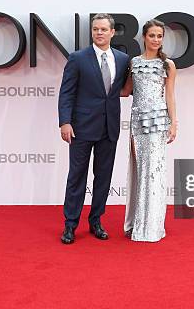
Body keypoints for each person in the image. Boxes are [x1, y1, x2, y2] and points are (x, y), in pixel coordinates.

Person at [58, 13, 130, 244]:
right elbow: (66, 92)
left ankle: (96, 220)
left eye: (103, 29)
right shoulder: (78, 58)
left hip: (109, 128)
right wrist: (65, 122)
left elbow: (126, 89)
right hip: (80, 128)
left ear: (112, 32)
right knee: (76, 177)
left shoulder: (122, 59)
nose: (98, 33)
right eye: (95, 29)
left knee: (103, 177)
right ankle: (70, 225)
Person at [122, 19, 178, 242]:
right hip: (137, 123)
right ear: (144, 37)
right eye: (152, 35)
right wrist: (96, 88)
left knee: (154, 173)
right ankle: (138, 223)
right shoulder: (134, 63)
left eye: (159, 36)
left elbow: (170, 95)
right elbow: (125, 91)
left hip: (157, 124)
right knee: (140, 172)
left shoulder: (168, 65)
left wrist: (174, 123)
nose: (156, 39)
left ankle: (151, 227)